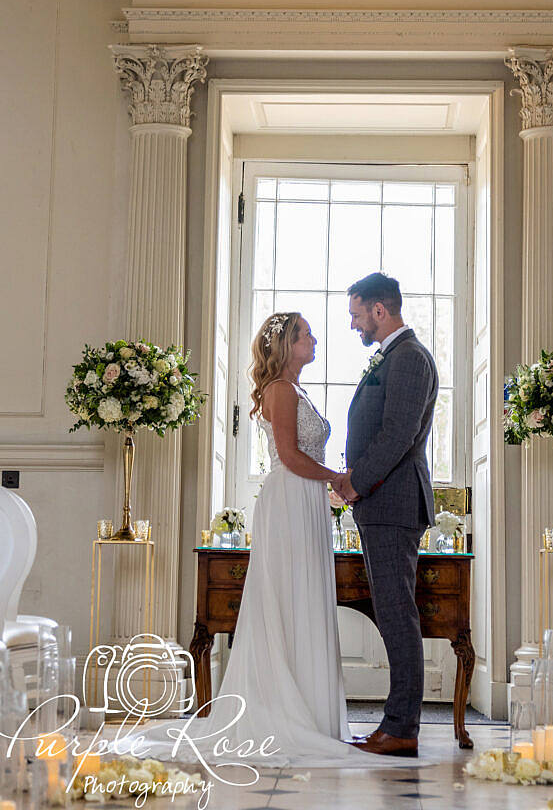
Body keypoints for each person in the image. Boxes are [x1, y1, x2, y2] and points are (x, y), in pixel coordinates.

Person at [112, 311, 413, 772]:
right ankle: (282, 710)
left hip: (307, 502)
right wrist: (339, 477)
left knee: (305, 600)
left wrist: (334, 482)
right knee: (287, 599)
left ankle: (311, 714)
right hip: (290, 499)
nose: (314, 339)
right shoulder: (278, 390)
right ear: (285, 345)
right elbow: (290, 457)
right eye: (305, 335)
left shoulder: (297, 389)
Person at [334, 272, 438, 758]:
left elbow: (398, 435)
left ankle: (401, 728)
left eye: (357, 313)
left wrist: (354, 482)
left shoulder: (411, 358)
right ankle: (396, 725)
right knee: (394, 613)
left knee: (397, 616)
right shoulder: (395, 356)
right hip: (383, 502)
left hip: (393, 502)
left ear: (380, 309)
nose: (354, 323)